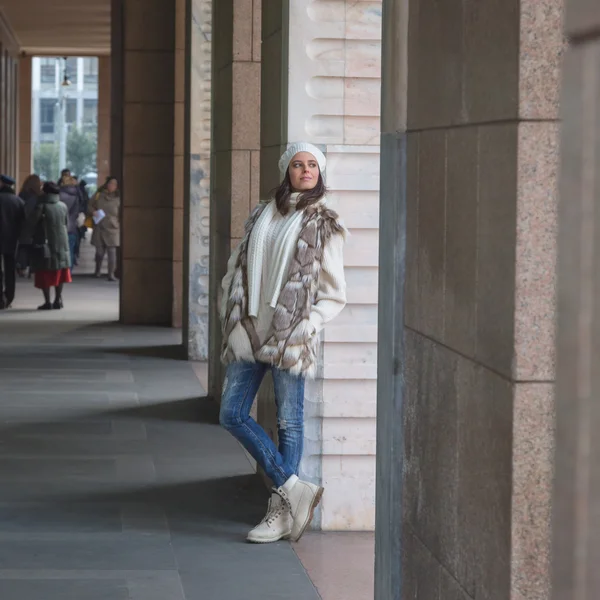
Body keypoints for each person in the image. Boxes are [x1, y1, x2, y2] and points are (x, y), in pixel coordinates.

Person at [219, 143, 347, 544]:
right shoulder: (262, 214)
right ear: (286, 171)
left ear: (319, 173)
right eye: (298, 164)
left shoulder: (322, 221)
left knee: (290, 423)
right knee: (231, 413)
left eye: (312, 165)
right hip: (250, 329)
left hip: (290, 335)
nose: (306, 170)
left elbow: (335, 293)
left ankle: (280, 510)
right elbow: (234, 268)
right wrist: (231, 307)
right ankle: (295, 488)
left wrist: (307, 325)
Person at [27, 181, 72, 310]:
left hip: (45, 244)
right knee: (60, 271)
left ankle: (47, 302)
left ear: (45, 192)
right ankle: (57, 300)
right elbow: (66, 224)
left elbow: (31, 223)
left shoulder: (41, 206)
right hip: (62, 244)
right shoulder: (63, 206)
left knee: (44, 273)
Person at [0, 174, 25, 309]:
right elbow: (23, 222)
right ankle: (9, 297)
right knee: (10, 270)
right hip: (12, 240)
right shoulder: (18, 201)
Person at [90, 176, 120, 281]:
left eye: (114, 184)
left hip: (113, 228)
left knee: (112, 252)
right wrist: (92, 211)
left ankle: (111, 274)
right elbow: (89, 205)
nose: (112, 186)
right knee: (99, 252)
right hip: (99, 226)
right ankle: (97, 270)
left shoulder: (119, 198)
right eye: (110, 183)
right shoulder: (98, 195)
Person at [17, 174, 43, 277]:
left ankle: (22, 267)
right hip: (36, 225)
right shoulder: (39, 196)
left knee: (23, 247)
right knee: (34, 247)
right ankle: (33, 268)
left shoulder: (22, 194)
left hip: (24, 225)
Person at [58, 176, 81, 269]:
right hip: (71, 228)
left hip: (59, 227)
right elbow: (76, 212)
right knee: (70, 251)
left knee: (59, 251)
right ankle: (69, 272)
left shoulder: (58, 195)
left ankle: (60, 272)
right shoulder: (76, 196)